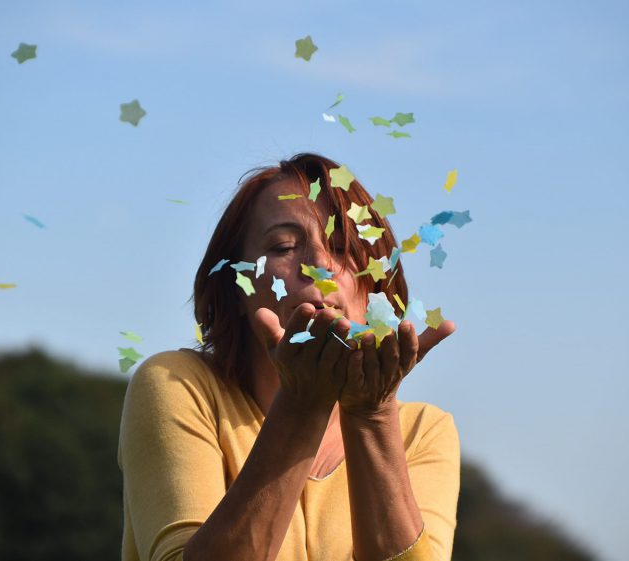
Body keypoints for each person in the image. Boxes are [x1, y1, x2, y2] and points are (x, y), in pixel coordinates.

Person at [118, 153, 460, 561]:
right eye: (284, 246)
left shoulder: (423, 431)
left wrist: (373, 414)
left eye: (340, 246)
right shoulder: (178, 384)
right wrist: (302, 403)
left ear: (376, 290)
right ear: (235, 287)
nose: (319, 266)